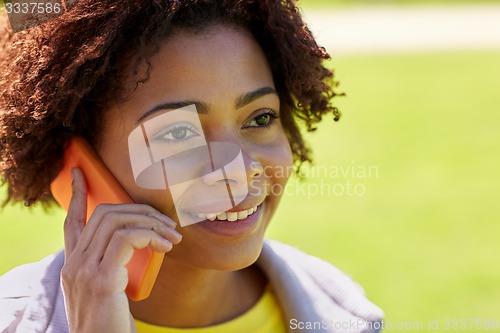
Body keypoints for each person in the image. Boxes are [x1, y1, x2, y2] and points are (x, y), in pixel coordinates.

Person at [0, 1, 383, 332]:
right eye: (179, 133)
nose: (239, 168)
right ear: (78, 162)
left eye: (261, 118)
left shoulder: (344, 311)